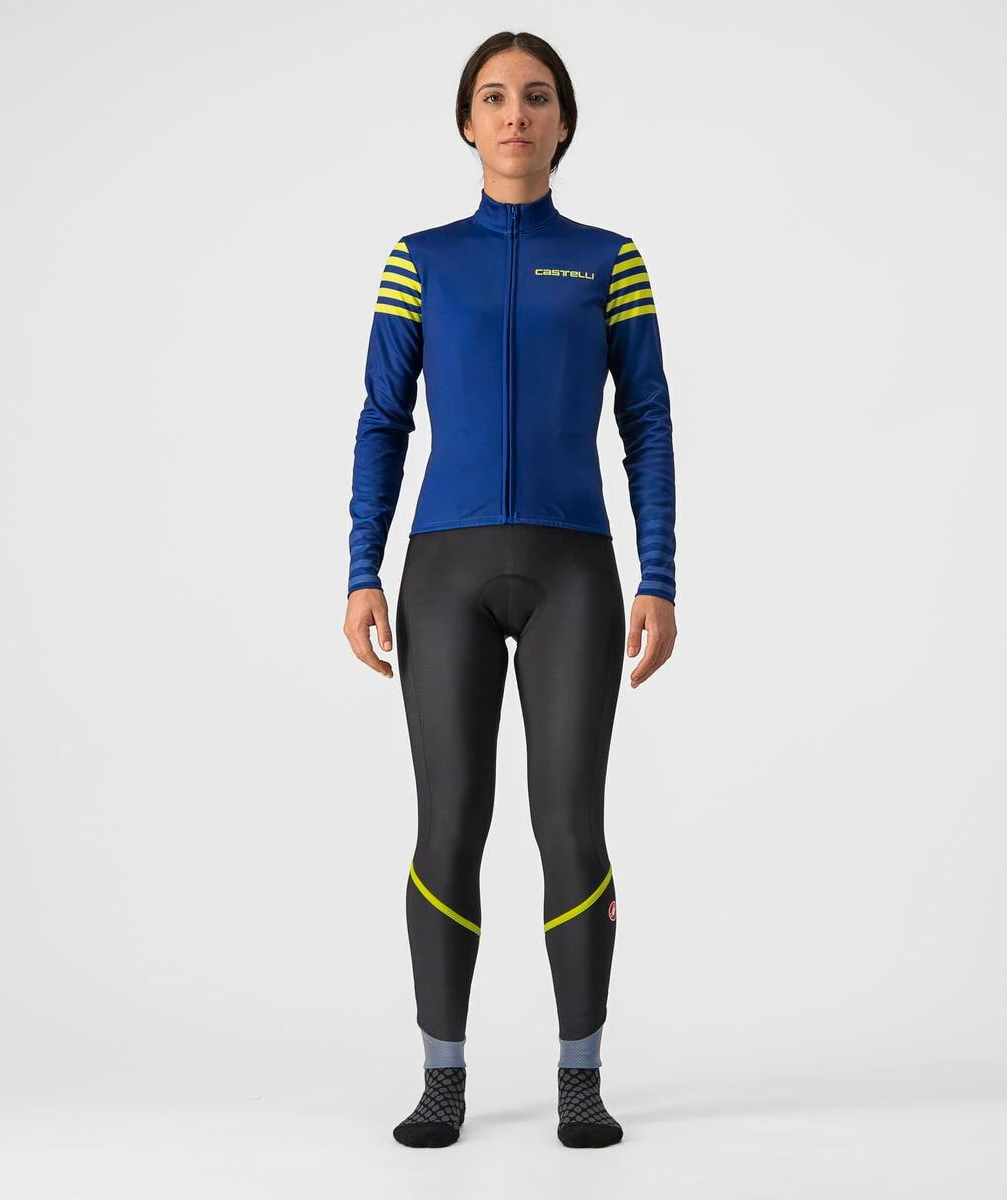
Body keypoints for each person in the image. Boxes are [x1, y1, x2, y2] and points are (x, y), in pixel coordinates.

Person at [343, 31, 678, 1149]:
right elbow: (383, 419)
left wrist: (661, 574)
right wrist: (361, 569)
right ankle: (443, 1079)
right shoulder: (420, 259)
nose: (515, 114)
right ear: (466, 122)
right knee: (450, 820)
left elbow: (647, 424)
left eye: (536, 97)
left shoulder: (610, 259)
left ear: (563, 121)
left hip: (576, 569)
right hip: (442, 570)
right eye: (494, 97)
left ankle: (580, 1078)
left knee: (569, 823)